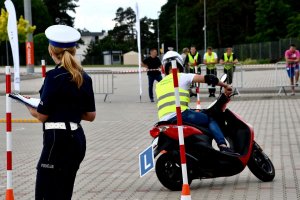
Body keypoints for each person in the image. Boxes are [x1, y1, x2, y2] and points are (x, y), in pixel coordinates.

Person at [26, 25, 96, 199]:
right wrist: (68, 109)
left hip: (57, 140)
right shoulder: (84, 76)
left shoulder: (53, 77)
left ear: (51, 51)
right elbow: (90, 115)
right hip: (77, 139)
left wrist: (30, 107)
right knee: (64, 192)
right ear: (73, 51)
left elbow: (42, 115)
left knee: (44, 194)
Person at [155, 51, 236, 154]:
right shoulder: (183, 76)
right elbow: (209, 78)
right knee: (210, 119)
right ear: (180, 64)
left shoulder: (159, 85)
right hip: (180, 115)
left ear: (164, 68)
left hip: (163, 120)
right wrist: (225, 86)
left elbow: (173, 96)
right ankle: (223, 146)